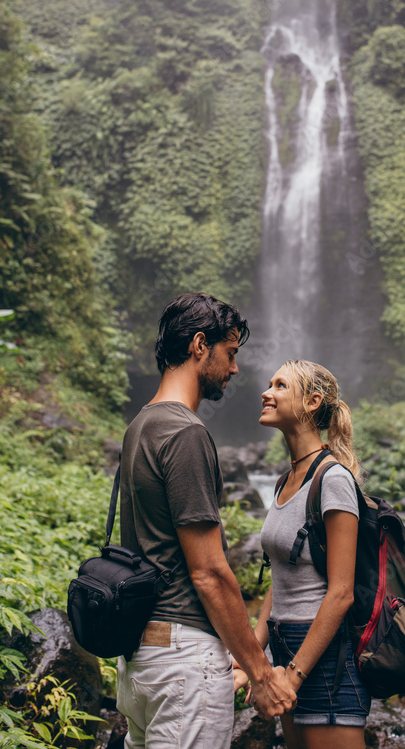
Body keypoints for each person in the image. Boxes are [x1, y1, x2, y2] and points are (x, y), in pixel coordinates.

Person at [116, 292, 296, 749]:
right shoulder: (186, 433)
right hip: (182, 663)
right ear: (200, 345)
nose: (236, 369)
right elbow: (210, 572)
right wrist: (259, 672)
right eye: (230, 353)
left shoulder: (141, 424)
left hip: (141, 658)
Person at [234, 359, 371, 748]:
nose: (266, 392)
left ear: (312, 402)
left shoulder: (334, 480)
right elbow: (282, 577)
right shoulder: (285, 480)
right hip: (285, 646)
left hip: (322, 658)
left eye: (280, 386)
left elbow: (341, 592)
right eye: (269, 383)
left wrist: (291, 676)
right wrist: (253, 659)